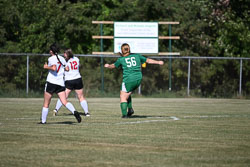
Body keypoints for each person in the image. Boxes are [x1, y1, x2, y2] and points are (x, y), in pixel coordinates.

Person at [104, 43, 164, 118]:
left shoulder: (121, 59)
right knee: (127, 94)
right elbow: (148, 60)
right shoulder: (137, 56)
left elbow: (113, 66)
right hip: (138, 79)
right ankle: (130, 109)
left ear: (122, 51)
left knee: (123, 96)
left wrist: (108, 65)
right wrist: (158, 62)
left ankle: (124, 115)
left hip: (128, 80)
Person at [40, 44, 81, 124]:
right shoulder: (62, 58)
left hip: (51, 82)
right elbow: (67, 68)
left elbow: (54, 68)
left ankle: (43, 121)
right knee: (64, 101)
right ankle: (74, 112)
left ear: (51, 51)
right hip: (60, 83)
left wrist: (46, 67)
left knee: (46, 103)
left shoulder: (51, 58)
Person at [53, 48, 90, 117]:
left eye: (65, 53)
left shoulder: (65, 61)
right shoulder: (76, 59)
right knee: (81, 97)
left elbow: (66, 69)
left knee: (63, 97)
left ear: (67, 54)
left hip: (69, 80)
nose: (64, 55)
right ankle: (87, 112)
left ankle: (56, 110)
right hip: (78, 79)